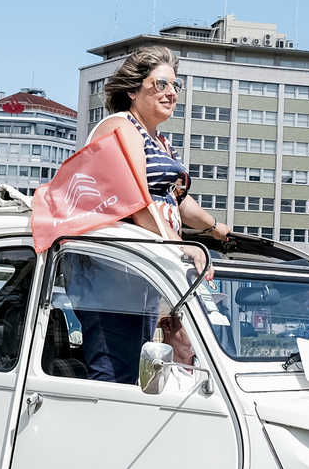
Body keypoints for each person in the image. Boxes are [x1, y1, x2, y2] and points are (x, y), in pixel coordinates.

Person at [91, 45, 230, 365]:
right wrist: (180, 246)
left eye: (175, 86)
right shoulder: (121, 127)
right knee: (117, 368)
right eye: (161, 84)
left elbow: (177, 200)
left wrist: (214, 227)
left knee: (177, 360)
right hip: (115, 273)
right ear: (132, 90)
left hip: (148, 269)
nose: (171, 93)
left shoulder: (161, 142)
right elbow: (135, 197)